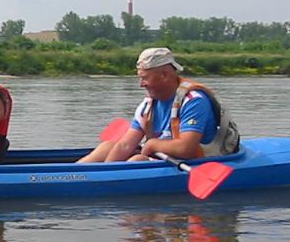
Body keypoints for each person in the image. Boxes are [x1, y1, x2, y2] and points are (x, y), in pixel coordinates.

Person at [78, 47, 238, 163]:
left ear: (164, 75)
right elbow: (126, 144)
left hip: (196, 160)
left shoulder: (194, 101)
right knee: (107, 147)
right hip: (162, 157)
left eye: (145, 78)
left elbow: (185, 149)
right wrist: (107, 170)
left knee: (138, 160)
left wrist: (152, 144)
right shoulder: (147, 105)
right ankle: (75, 174)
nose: (141, 84)